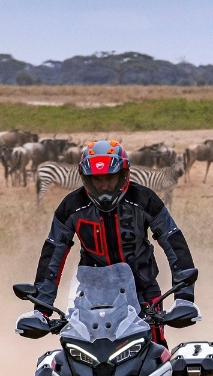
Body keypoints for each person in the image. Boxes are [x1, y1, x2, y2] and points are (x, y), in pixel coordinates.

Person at [31, 139, 198, 342]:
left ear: (123, 175)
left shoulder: (145, 199)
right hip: (91, 296)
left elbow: (174, 242)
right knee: (73, 352)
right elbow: (53, 255)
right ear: (86, 179)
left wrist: (183, 299)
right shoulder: (71, 206)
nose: (104, 186)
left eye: (110, 178)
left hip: (143, 292)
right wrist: (41, 310)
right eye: (97, 180)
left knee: (155, 348)